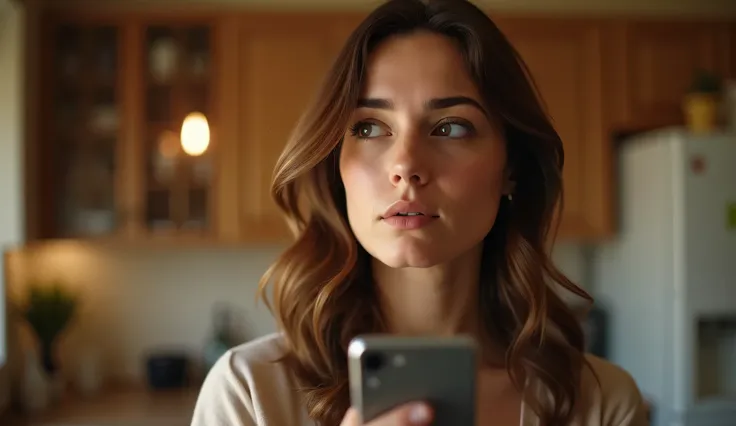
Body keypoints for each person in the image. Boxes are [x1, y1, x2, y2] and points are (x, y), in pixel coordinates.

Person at [191, 0, 649, 425]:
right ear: (337, 165)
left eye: (450, 127)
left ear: (511, 168)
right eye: (369, 127)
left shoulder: (601, 403)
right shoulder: (249, 395)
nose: (406, 165)